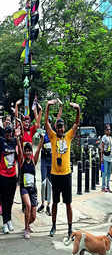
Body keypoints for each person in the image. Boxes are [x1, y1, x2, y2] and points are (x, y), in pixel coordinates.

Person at [45, 100, 80, 237]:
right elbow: (46, 124)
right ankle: (53, 226)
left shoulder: (68, 136)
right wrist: (48, 106)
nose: (60, 129)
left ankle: (70, 228)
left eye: (62, 127)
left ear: (64, 127)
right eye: (58, 127)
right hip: (55, 174)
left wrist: (77, 109)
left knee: (68, 203)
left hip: (66, 174)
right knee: (54, 203)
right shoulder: (53, 137)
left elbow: (76, 124)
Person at [0, 121, 18, 234]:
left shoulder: (14, 141)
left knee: (10, 200)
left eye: (10, 132)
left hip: (12, 175)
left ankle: (9, 220)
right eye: (7, 132)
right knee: (4, 200)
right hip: (3, 175)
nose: (8, 134)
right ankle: (4, 223)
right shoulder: (1, 141)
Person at [17, 138, 43, 239]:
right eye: (26, 151)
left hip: (33, 189)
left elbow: (39, 149)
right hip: (24, 189)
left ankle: (27, 225)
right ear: (24, 152)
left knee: (33, 216)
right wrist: (18, 139)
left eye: (29, 150)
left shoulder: (33, 161)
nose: (28, 152)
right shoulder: (22, 161)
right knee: (27, 205)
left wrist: (41, 139)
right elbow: (19, 149)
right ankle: (26, 229)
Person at [38, 127, 52, 215]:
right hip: (44, 159)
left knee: (50, 184)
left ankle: (48, 205)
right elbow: (40, 146)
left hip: (51, 160)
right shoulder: (42, 133)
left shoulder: (53, 134)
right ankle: (42, 203)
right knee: (43, 182)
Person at [100, 124, 112, 192]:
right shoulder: (104, 137)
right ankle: (103, 187)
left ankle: (108, 186)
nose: (109, 131)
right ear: (105, 131)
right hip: (105, 157)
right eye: (107, 129)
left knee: (109, 172)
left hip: (110, 157)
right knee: (104, 172)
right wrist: (101, 158)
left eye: (109, 129)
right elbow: (102, 148)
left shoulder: (110, 138)